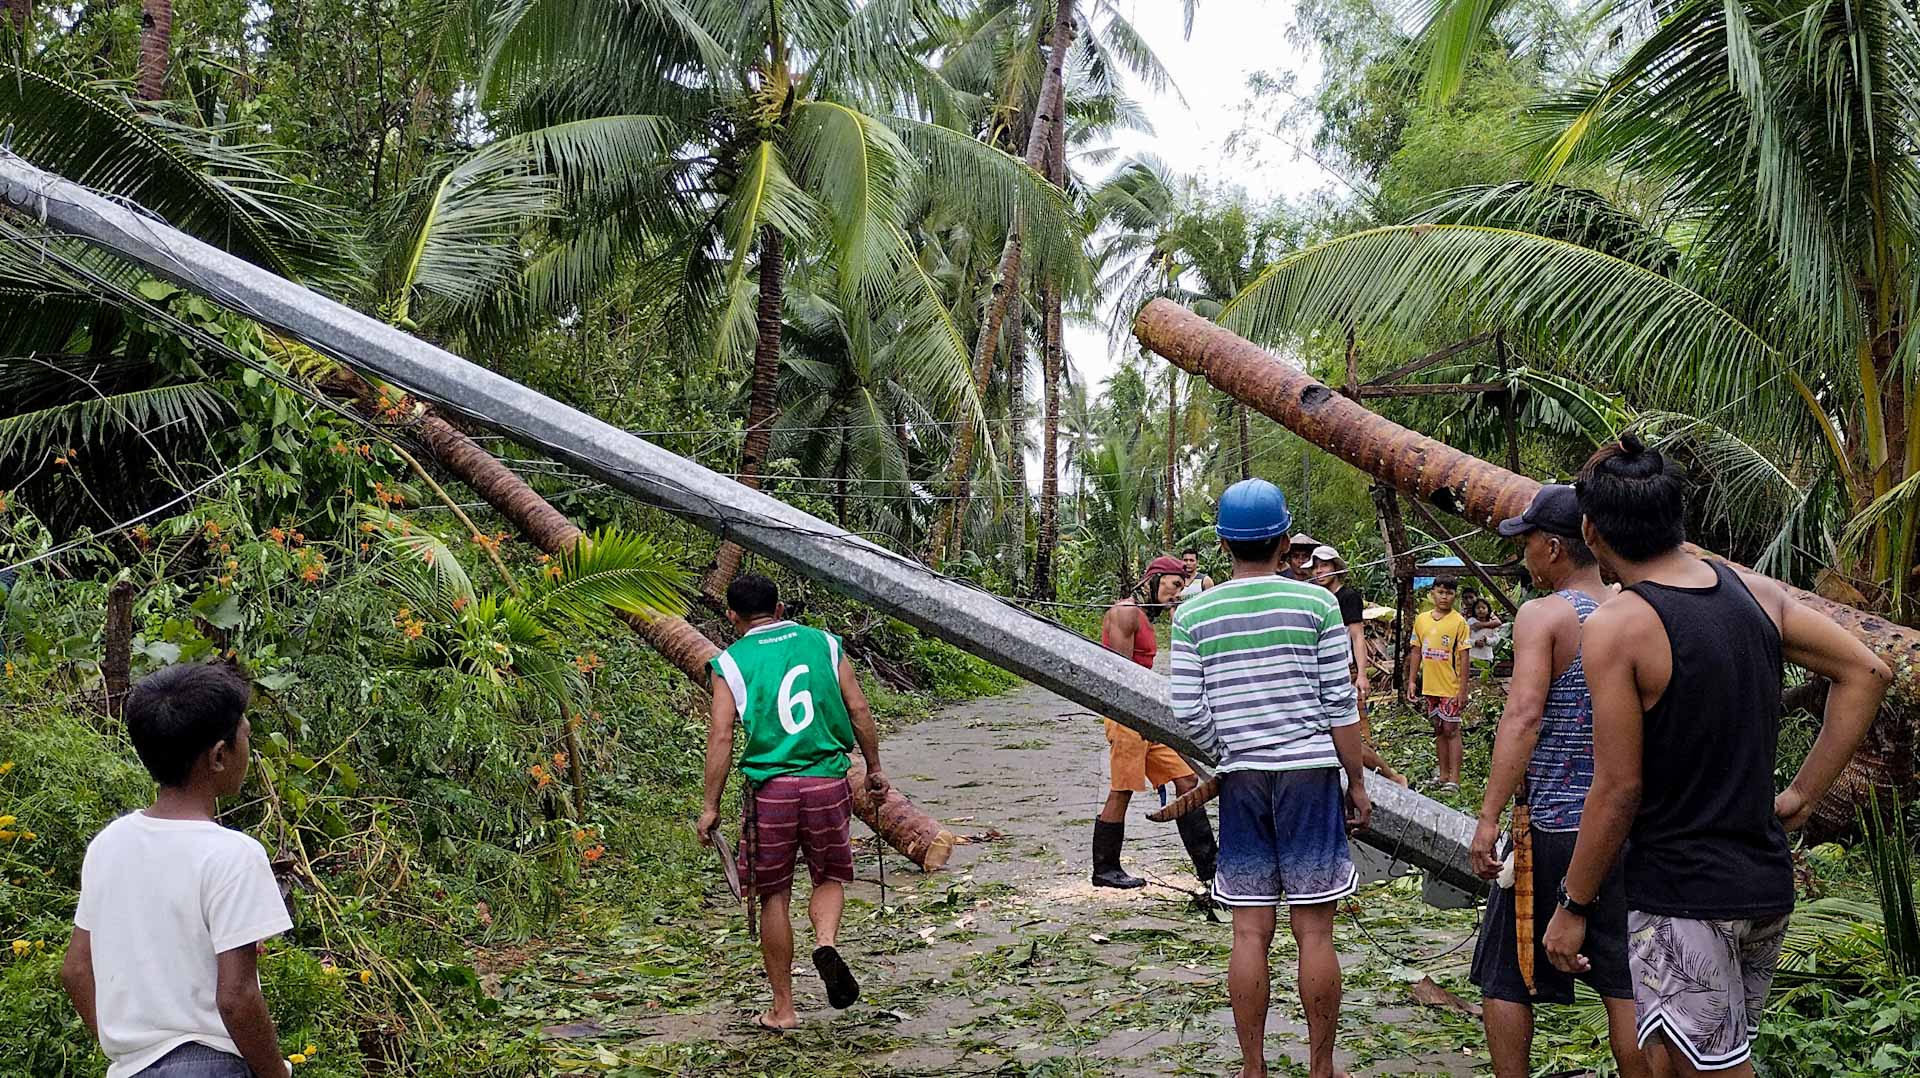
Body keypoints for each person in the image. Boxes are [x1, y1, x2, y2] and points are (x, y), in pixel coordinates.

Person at [1544, 437, 1890, 1076]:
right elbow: (1866, 671)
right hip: (1760, 885)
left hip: (1685, 894)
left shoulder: (1617, 627)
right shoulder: (1755, 593)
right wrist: (1801, 795)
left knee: (1710, 1069)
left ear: (1591, 531)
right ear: (1678, 519)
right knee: (1672, 1062)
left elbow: (1617, 789)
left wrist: (1573, 905)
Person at [1171, 480, 1370, 1078]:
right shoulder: (1318, 605)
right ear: (1287, 543)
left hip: (1244, 780)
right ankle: (1320, 1066)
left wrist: (1225, 751)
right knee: (1315, 931)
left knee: (1250, 930)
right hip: (1310, 775)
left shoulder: (1193, 611)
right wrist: (1355, 782)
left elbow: (1185, 707)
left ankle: (1253, 1068)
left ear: (1223, 542)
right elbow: (1340, 702)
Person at [1466, 485, 1648, 1078]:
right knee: (1624, 981)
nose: (1523, 559)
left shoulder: (1544, 616)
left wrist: (1489, 816)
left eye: (1526, 545)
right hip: (1627, 824)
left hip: (1556, 823)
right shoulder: (1635, 611)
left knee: (1505, 971)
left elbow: (1523, 716)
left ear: (1553, 547)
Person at [61, 663, 294, 1078]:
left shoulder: (108, 845)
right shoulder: (234, 855)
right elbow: (237, 997)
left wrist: (135, 1051)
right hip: (212, 1066)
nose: (249, 750)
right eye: (245, 738)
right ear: (219, 756)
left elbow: (76, 970)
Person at [696, 574, 891, 1030]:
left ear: (732, 617)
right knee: (829, 875)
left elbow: (722, 735)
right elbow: (859, 709)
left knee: (773, 895)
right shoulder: (824, 643)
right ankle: (825, 941)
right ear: (780, 608)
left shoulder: (730, 662)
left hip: (772, 792)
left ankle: (783, 1008)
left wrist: (710, 806)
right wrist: (875, 768)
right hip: (826, 784)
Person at [1093, 555, 1217, 894]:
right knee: (1123, 789)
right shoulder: (1125, 613)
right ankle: (1105, 868)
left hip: (1143, 714)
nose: (1178, 593)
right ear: (1155, 578)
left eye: (1181, 587)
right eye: (1175, 585)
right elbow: (1119, 676)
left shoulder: (1145, 617)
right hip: (1126, 715)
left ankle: (1210, 866)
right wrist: (1137, 718)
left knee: (1188, 779)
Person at [1308, 546, 1406, 787]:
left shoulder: (1348, 597)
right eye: (1317, 567)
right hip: (1323, 675)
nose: (1320, 571)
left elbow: (1357, 637)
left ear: (1336, 569)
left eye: (1325, 566)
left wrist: (1362, 674)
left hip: (1345, 672)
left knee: (1351, 737)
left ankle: (1391, 776)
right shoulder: (1317, 599)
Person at [1407, 576, 1471, 793]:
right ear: (1432, 593)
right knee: (1438, 729)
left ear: (1455, 596)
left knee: (1452, 730)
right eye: (1440, 592)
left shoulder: (1459, 622)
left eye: (1449, 593)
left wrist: (1463, 690)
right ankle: (1443, 775)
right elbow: (1416, 651)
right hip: (1430, 686)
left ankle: (1455, 779)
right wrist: (1412, 681)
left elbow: (1464, 658)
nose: (1444, 597)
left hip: (1450, 686)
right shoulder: (1421, 620)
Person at [1468, 599, 1503, 678]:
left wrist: (1487, 640)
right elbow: (1464, 640)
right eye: (1478, 608)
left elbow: (1496, 640)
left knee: (1484, 679)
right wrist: (1475, 642)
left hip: (1486, 657)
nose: (1481, 610)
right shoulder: (1470, 622)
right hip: (1472, 657)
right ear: (1474, 610)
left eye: (1483, 608)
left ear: (1488, 610)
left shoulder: (1492, 623)